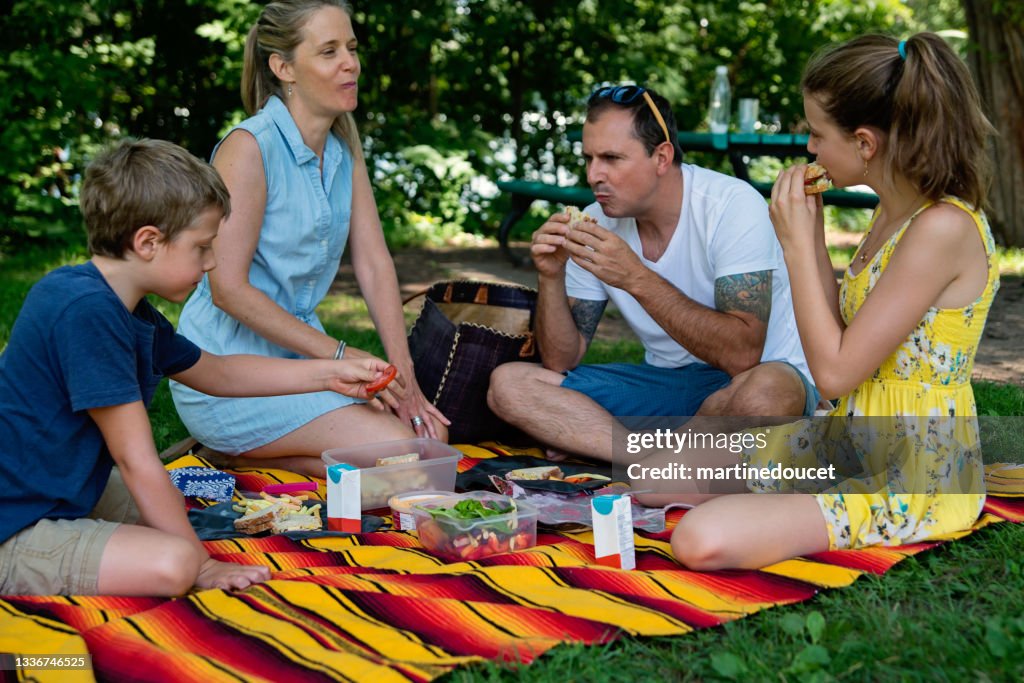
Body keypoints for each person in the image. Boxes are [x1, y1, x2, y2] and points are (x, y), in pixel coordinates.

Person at [631, 32, 998, 570]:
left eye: (818, 135)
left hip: (912, 467)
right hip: (847, 438)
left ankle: (783, 507)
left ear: (866, 144)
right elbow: (839, 331)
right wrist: (814, 242)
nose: (810, 149)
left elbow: (832, 374)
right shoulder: (892, 213)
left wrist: (798, 247)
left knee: (698, 539)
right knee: (651, 480)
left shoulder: (942, 227)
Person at [0, 138, 402, 596]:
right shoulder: (87, 312)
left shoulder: (124, 307)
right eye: (202, 247)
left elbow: (218, 373)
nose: (212, 262)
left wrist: (330, 373)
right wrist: (203, 567)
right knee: (174, 563)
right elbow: (136, 460)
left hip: (56, 487)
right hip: (14, 521)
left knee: (173, 503)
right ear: (148, 242)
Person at [170, 0, 447, 476]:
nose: (350, 63)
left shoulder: (344, 149)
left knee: (430, 438)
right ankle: (231, 447)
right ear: (284, 68)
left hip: (304, 358)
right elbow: (227, 289)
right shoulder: (249, 148)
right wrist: (341, 356)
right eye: (329, 51)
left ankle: (241, 457)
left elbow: (374, 262)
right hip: (228, 372)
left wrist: (405, 381)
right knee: (406, 459)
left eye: (352, 48)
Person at [487, 84, 817, 461]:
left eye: (612, 158)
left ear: (662, 157)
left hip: (750, 381)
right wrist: (550, 276)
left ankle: (641, 452)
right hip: (669, 388)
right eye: (589, 158)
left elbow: (742, 355)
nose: (595, 174)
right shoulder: (596, 223)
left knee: (768, 396)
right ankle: (652, 461)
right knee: (510, 384)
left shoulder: (731, 205)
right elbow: (562, 361)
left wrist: (635, 277)